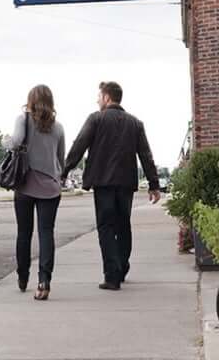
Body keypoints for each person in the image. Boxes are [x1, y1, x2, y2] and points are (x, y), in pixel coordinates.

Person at [61, 81, 161, 291]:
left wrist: (64, 171)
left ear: (107, 98)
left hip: (103, 183)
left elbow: (79, 145)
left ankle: (111, 275)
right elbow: (146, 155)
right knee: (123, 225)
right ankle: (122, 267)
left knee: (106, 227)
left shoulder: (96, 119)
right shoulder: (135, 123)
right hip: (126, 184)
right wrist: (154, 184)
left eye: (99, 96)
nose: (97, 100)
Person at [4, 84, 65, 301]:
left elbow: (15, 142)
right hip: (50, 188)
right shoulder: (58, 127)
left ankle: (23, 277)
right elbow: (61, 159)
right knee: (46, 233)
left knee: (24, 233)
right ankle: (44, 281)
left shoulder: (23, 120)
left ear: (30, 100)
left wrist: (5, 141)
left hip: (25, 186)